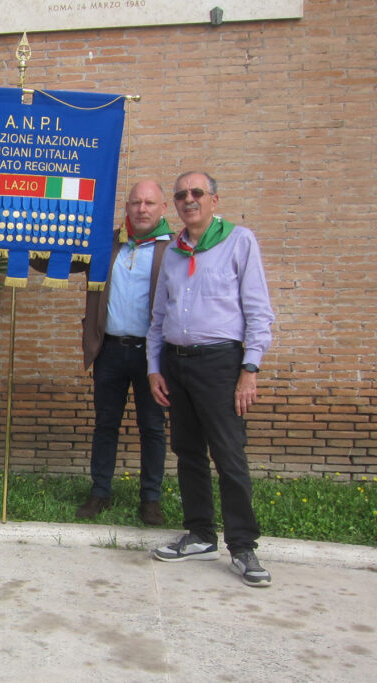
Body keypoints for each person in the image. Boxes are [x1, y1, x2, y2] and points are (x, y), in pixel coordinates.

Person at [147, 171, 275, 587]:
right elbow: (158, 318)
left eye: (197, 193)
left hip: (222, 364)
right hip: (176, 364)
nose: (189, 200)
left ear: (214, 200)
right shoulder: (174, 252)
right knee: (187, 452)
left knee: (228, 454)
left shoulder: (239, 241)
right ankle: (201, 533)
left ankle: (243, 546)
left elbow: (258, 310)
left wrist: (249, 370)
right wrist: (154, 367)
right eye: (181, 195)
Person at [74, 180, 172, 526]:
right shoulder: (107, 244)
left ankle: (151, 499)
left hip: (152, 356)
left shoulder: (172, 248)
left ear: (163, 209)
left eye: (149, 203)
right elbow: (66, 260)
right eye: (135, 203)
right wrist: (29, 242)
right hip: (111, 349)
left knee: (152, 427)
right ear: (127, 208)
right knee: (105, 424)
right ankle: (100, 492)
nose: (142, 209)